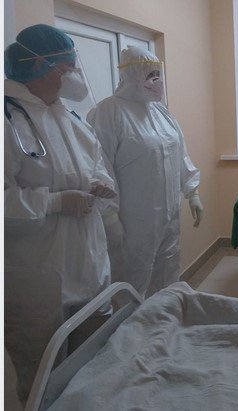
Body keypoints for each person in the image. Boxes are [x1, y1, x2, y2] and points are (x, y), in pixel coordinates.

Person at [4, 24, 117, 403]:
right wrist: (53, 202)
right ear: (43, 66)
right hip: (37, 274)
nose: (76, 74)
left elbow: (95, 164)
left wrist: (100, 183)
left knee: (93, 358)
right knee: (42, 373)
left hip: (88, 262)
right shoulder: (8, 119)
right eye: (69, 66)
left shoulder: (69, 115)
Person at [87, 46, 202, 298]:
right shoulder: (108, 112)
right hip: (133, 224)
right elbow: (99, 167)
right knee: (132, 283)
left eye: (157, 74)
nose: (156, 81)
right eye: (149, 75)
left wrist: (192, 191)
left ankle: (164, 319)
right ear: (131, 75)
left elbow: (180, 153)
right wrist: (109, 217)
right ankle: (131, 325)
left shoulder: (160, 112)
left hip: (169, 217)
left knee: (167, 275)